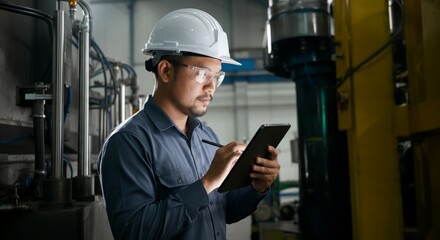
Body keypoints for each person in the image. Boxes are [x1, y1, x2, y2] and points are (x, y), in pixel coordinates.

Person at [98, 8, 281, 240]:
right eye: (203, 74)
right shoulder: (128, 142)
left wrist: (257, 186)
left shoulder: (204, 136)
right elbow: (133, 232)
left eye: (217, 77)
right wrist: (206, 183)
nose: (211, 87)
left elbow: (223, 211)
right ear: (165, 70)